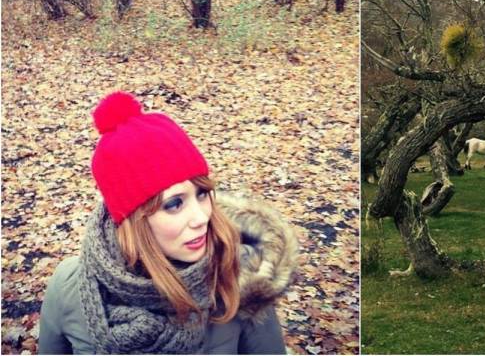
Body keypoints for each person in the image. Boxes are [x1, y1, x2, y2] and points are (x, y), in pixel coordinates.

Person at [38, 91, 298, 354]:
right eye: (174, 204)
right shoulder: (70, 287)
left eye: (202, 194)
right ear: (134, 222)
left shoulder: (238, 277)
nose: (201, 218)